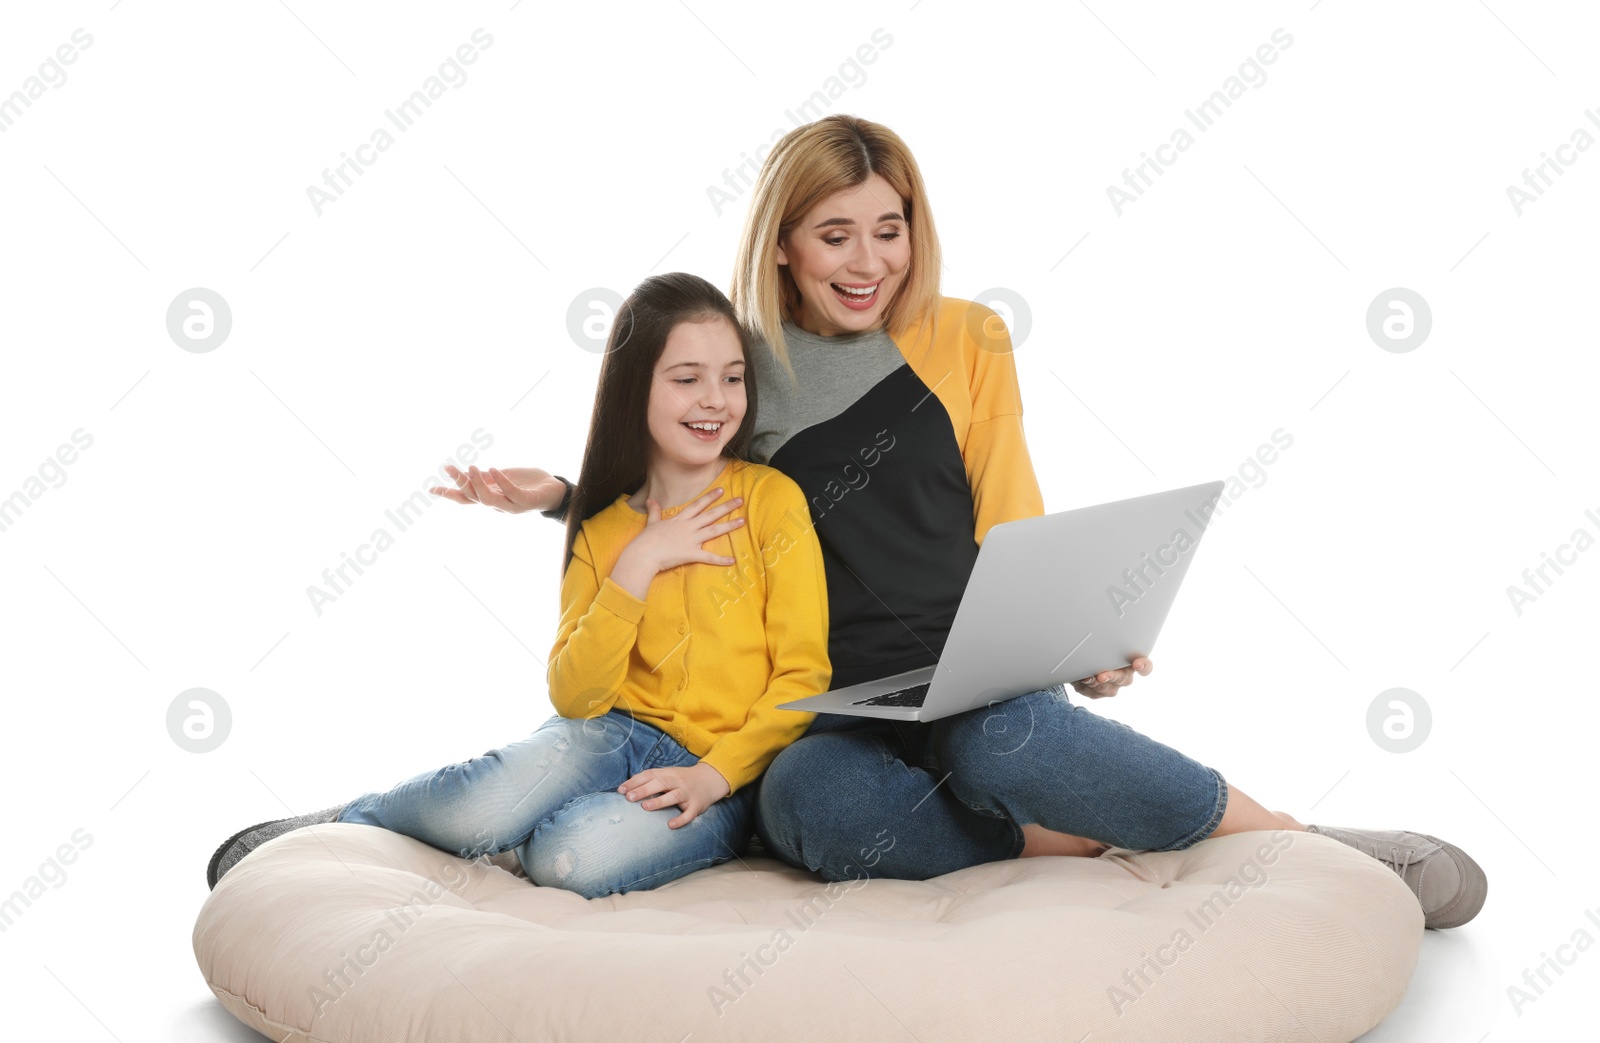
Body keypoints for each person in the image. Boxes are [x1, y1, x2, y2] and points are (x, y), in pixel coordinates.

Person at [425, 115, 1487, 931]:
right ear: (784, 245)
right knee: (809, 809)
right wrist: (566, 497)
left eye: (889, 230)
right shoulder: (743, 364)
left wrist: (1078, 647)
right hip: (831, 704)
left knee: (1008, 735)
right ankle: (1053, 837)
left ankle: (1303, 844)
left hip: (972, 671)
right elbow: (678, 476)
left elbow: (1012, 512)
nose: (867, 260)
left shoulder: (966, 339)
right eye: (834, 234)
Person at [206, 273, 830, 900]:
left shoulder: (771, 502)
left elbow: (803, 679)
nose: (716, 400)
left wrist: (715, 777)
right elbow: (575, 696)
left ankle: (514, 821)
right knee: (478, 804)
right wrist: (637, 564)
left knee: (570, 859)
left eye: (732, 377)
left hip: (715, 777)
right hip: (603, 734)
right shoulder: (605, 529)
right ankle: (352, 822)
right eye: (687, 378)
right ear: (634, 389)